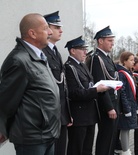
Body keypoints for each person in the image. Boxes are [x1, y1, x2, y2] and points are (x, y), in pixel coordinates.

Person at [0, 13, 60, 155]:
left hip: (47, 134)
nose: (50, 32)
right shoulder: (18, 60)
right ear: (32, 33)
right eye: (46, 28)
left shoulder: (39, 56)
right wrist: (2, 129)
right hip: (32, 138)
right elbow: (5, 100)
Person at [64, 36, 109, 155]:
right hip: (79, 116)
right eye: (82, 49)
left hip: (89, 115)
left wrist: (101, 89)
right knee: (76, 149)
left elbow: (89, 84)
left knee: (87, 149)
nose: (85, 52)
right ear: (73, 51)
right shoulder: (69, 67)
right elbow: (73, 93)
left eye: (85, 48)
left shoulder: (82, 65)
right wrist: (96, 90)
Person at [86, 26, 120, 155]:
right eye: (109, 40)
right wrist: (109, 107)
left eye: (113, 40)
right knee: (105, 138)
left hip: (114, 102)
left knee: (111, 137)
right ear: (100, 41)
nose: (112, 43)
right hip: (106, 105)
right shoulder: (97, 58)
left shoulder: (106, 58)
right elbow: (100, 84)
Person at [43, 11, 72, 155]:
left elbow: (62, 87)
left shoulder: (55, 52)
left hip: (60, 115)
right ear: (46, 29)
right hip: (50, 117)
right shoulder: (42, 52)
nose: (61, 30)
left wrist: (66, 114)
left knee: (61, 150)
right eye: (56, 27)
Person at [116, 51, 138, 155]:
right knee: (125, 129)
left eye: (134, 60)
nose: (133, 62)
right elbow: (122, 92)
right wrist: (126, 108)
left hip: (130, 105)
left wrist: (135, 106)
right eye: (131, 60)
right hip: (126, 107)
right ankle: (125, 151)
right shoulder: (122, 74)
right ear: (124, 61)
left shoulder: (128, 73)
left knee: (128, 128)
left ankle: (126, 149)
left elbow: (132, 92)